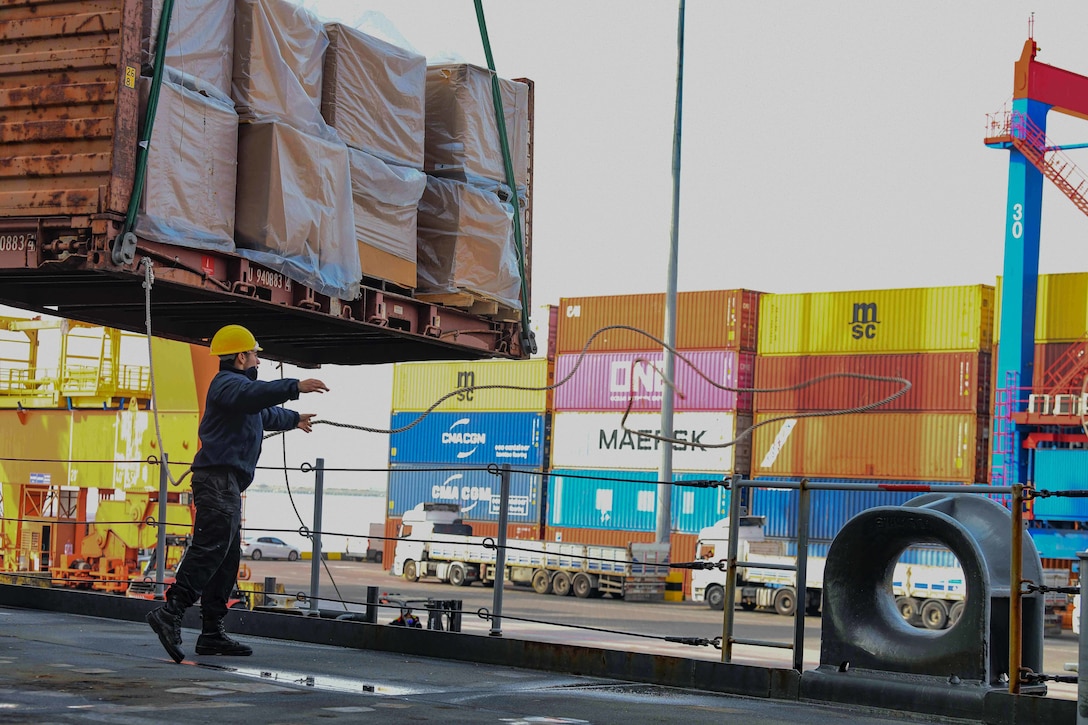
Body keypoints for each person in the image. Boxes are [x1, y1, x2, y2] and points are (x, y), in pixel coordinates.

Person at [146, 324, 328, 663]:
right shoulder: (227, 385)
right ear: (242, 356)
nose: (259, 359)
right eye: (255, 353)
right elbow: (253, 397)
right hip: (217, 481)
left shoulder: (238, 392)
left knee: (224, 561)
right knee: (209, 551)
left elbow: (262, 412)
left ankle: (211, 633)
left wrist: (293, 419)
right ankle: (170, 612)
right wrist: (295, 387)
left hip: (225, 484)